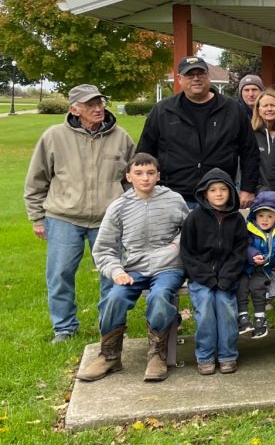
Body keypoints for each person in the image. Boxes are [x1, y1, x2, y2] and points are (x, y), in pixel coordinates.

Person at [25, 84, 132, 343]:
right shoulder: (53, 136)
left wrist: (129, 214)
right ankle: (64, 328)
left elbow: (131, 180)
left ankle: (111, 327)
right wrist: (38, 218)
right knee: (60, 274)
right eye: (90, 104)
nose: (98, 108)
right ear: (74, 109)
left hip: (108, 219)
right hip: (63, 217)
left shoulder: (121, 137)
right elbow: (36, 180)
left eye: (100, 103)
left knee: (112, 274)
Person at [77, 153, 189, 382]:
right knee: (113, 298)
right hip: (134, 268)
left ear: (158, 175)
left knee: (159, 297)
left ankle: (157, 353)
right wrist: (117, 272)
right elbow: (104, 248)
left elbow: (190, 231)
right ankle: (109, 355)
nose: (145, 178)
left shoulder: (174, 200)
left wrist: (177, 245)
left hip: (168, 267)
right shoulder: (119, 207)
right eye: (138, 173)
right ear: (129, 176)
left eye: (150, 173)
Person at [137, 56, 258, 207]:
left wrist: (248, 188)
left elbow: (250, 152)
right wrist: (145, 187)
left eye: (200, 73)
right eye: (190, 75)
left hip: (219, 197)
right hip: (172, 198)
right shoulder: (163, 111)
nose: (196, 78)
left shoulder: (232, 109)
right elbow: (144, 154)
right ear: (179, 79)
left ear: (208, 76)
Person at [181, 168, 248, 375]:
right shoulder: (194, 219)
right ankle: (205, 355)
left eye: (223, 189)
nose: (218, 194)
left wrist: (226, 278)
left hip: (227, 278)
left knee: (226, 307)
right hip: (201, 277)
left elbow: (239, 253)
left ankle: (228, 355)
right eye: (213, 190)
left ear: (231, 192)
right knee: (205, 308)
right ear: (204, 193)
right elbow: (187, 254)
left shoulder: (237, 220)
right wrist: (207, 278)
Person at [239, 191, 275, 339]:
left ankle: (260, 319)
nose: (265, 220)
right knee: (241, 285)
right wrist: (253, 255)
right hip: (247, 267)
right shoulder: (249, 229)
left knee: (258, 287)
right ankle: (243, 317)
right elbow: (245, 245)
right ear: (254, 216)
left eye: (270, 216)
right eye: (261, 216)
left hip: (264, 270)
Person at [251, 89, 275, 192]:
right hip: (260, 193)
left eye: (273, 105)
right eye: (265, 106)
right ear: (258, 110)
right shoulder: (251, 135)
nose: (269, 109)